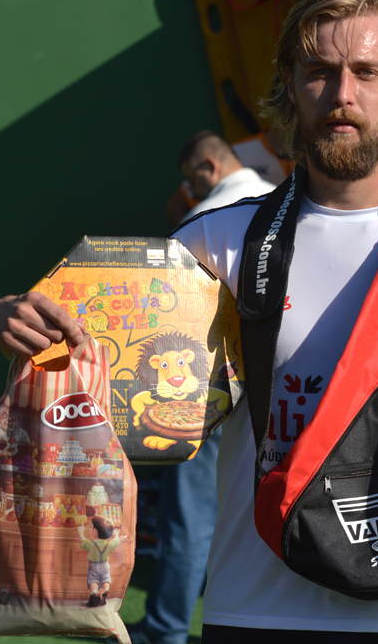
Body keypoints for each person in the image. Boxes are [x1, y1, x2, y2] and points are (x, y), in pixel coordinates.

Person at [0, 0, 378, 643]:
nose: (343, 95)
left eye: (366, 72)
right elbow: (101, 377)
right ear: (289, 82)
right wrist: (15, 323)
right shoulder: (215, 242)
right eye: (320, 72)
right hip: (252, 609)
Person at [131, 131, 279, 644]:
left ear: (208, 168)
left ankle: (167, 628)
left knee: (189, 518)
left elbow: (167, 320)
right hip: (277, 392)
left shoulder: (202, 221)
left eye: (192, 179)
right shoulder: (287, 202)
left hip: (204, 392)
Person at [165, 130, 285, 226]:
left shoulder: (198, 221)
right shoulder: (286, 201)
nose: (193, 192)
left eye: (192, 181)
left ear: (210, 166)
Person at [76, 515, 120, 607]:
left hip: (94, 566)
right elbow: (116, 541)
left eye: (92, 528)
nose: (91, 529)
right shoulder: (109, 545)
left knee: (93, 580)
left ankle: (94, 592)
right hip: (105, 566)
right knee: (105, 578)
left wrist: (80, 532)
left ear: (95, 531)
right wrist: (116, 534)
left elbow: (82, 541)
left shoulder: (91, 545)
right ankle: (106, 589)